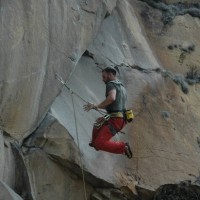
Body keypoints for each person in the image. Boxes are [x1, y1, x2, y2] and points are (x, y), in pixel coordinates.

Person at [83, 67, 132, 159]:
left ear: (110, 74)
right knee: (98, 123)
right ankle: (95, 143)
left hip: (116, 120)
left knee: (99, 143)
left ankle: (123, 147)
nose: (103, 79)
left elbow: (112, 98)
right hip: (119, 118)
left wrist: (96, 106)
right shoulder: (122, 87)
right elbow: (115, 104)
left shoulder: (111, 84)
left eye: (104, 77)